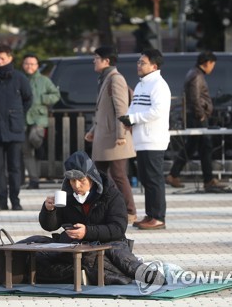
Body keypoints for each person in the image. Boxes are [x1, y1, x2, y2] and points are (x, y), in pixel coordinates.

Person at [37, 150, 146, 284]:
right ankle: (88, 275)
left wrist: (87, 232)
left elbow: (118, 228)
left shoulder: (111, 194)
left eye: (81, 180)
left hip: (107, 244)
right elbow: (50, 226)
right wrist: (49, 210)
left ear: (92, 177)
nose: (76, 185)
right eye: (72, 181)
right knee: (40, 251)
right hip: (74, 247)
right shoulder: (67, 195)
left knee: (117, 257)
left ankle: (144, 274)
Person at [84, 46, 137, 224]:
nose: (94, 61)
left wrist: (121, 135)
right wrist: (92, 131)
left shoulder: (116, 79)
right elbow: (103, 111)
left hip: (115, 139)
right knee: (97, 175)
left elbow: (121, 109)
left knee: (118, 175)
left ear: (106, 61)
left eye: (96, 58)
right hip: (105, 137)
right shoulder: (106, 78)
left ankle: (130, 211)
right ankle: (101, 210)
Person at [120, 49, 171, 230]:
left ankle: (158, 217)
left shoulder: (159, 85)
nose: (138, 65)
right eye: (138, 62)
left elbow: (158, 111)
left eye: (143, 62)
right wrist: (127, 118)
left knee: (154, 179)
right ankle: (150, 214)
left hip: (153, 139)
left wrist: (133, 119)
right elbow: (134, 106)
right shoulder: (142, 84)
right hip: (141, 140)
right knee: (145, 179)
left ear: (154, 66)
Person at [0, 43, 32, 211]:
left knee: (15, 167)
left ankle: (15, 200)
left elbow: (28, 99)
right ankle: (1, 200)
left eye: (3, 58)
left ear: (10, 58)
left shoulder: (19, 78)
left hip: (14, 128)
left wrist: (16, 113)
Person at [166, 51, 224, 191]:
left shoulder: (195, 73)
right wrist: (201, 115)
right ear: (207, 62)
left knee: (192, 146)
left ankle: (174, 175)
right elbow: (194, 98)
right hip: (197, 117)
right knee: (206, 146)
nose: (213, 67)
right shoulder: (196, 75)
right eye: (213, 64)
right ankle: (208, 180)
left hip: (195, 116)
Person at [22, 53, 60, 189]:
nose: (29, 66)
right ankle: (34, 179)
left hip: (39, 117)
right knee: (26, 151)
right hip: (23, 118)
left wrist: (43, 99)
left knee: (35, 138)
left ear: (37, 66)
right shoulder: (21, 79)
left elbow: (56, 95)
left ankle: (40, 148)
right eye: (27, 63)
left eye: (32, 64)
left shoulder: (44, 80)